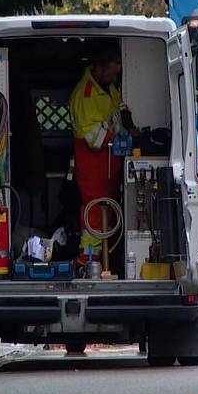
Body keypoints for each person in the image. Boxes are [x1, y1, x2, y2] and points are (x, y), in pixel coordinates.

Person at [68, 48, 138, 264]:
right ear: (98, 69)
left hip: (108, 165)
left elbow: (118, 106)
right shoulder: (86, 93)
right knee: (95, 212)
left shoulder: (106, 87)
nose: (114, 79)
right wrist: (118, 135)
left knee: (110, 212)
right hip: (93, 164)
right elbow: (93, 137)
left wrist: (128, 123)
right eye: (111, 74)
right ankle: (88, 261)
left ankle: (110, 259)